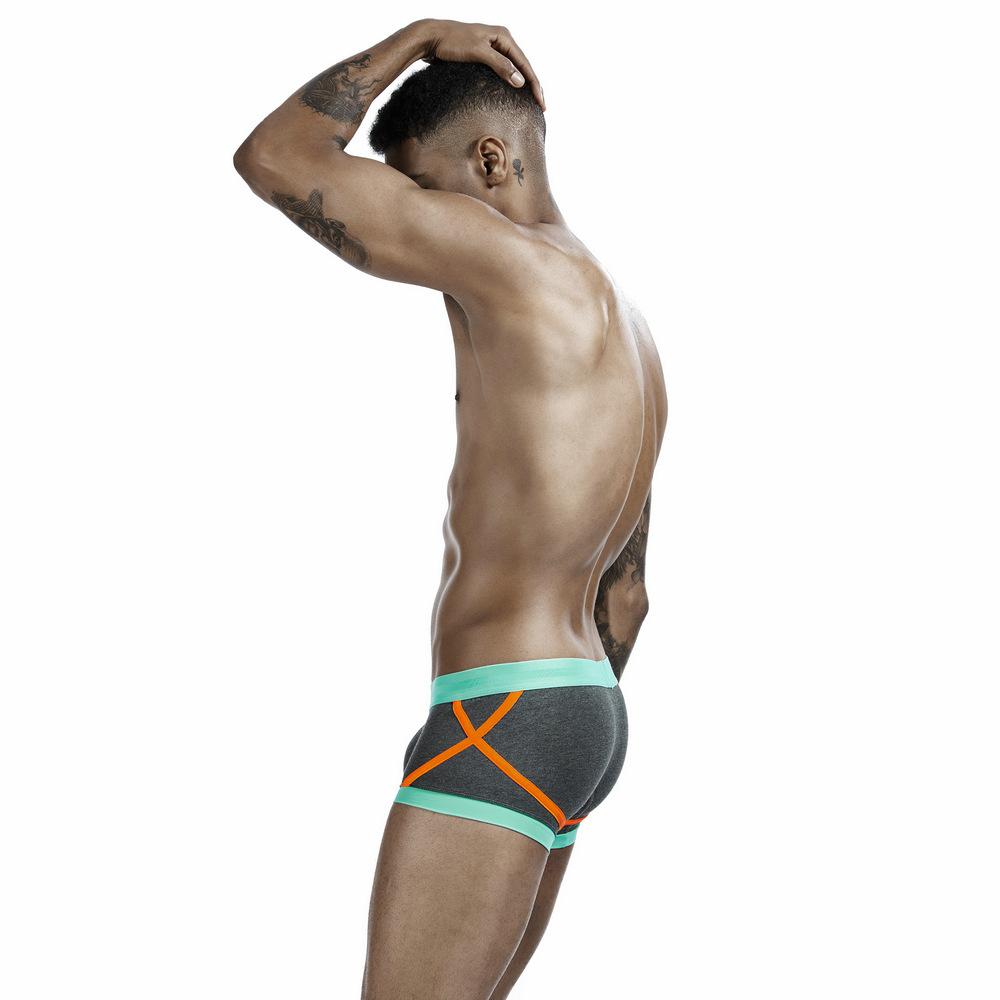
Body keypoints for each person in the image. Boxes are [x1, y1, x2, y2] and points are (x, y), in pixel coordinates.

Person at [234, 19, 667, 999]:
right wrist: (560, 728)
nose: (412, 214)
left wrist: (423, 33)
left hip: (503, 707)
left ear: (491, 160)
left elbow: (276, 158)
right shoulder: (633, 338)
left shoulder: (510, 262)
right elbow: (628, 595)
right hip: (581, 710)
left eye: (421, 188)